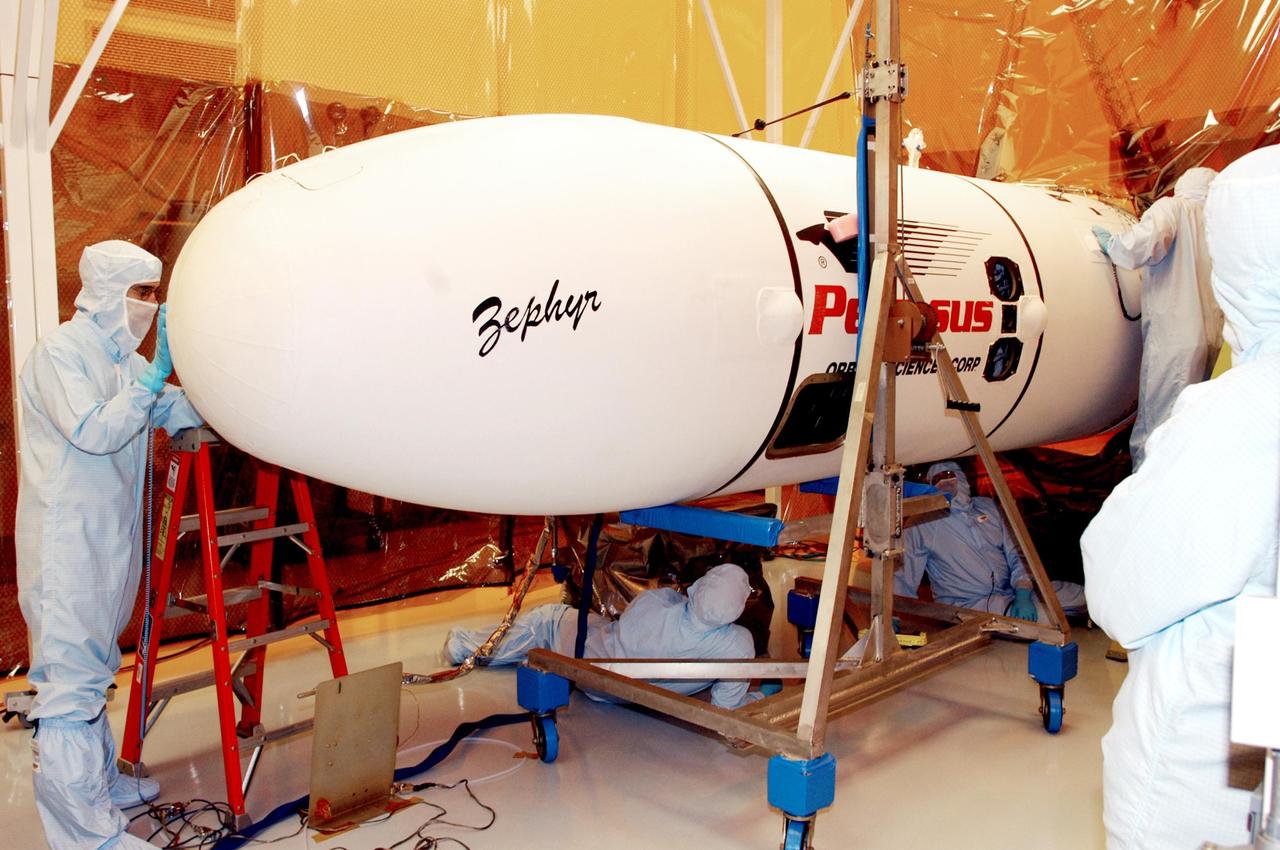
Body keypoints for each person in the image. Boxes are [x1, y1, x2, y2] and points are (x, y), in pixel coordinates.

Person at [1081, 146, 1280, 849]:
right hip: (1250, 765)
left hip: (1201, 784)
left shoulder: (1238, 418)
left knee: (1154, 425)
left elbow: (1122, 584)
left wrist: (1107, 241)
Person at [16, 240, 204, 850]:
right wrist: (151, 382)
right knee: (69, 677)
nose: (149, 306)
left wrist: (214, 404)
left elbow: (160, 406)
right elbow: (96, 428)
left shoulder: (123, 360)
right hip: (67, 542)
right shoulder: (59, 355)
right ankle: (86, 832)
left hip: (107, 539)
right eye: (140, 293)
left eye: (154, 294)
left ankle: (97, 781)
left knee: (95, 666)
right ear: (104, 293)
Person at [443, 562, 761, 709]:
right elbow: (727, 703)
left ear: (698, 587)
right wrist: (758, 696)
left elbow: (629, 619)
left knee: (547, 619)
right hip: (622, 695)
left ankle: (463, 646)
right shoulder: (738, 644)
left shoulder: (655, 605)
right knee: (589, 625)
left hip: (591, 669)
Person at [1092, 167, 1224, 470]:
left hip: (1176, 337)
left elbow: (1146, 243)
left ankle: (1146, 487)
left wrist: (1114, 245)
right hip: (1213, 338)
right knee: (1193, 420)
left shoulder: (1174, 208)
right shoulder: (1216, 222)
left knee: (1160, 419)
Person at [894, 462, 1088, 622]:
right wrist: (891, 618)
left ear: (964, 479)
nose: (947, 484)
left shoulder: (988, 507)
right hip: (969, 604)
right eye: (938, 480)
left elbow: (1017, 552)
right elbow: (904, 574)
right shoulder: (921, 524)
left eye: (951, 477)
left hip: (1012, 591)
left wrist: (1022, 590)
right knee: (1044, 619)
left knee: (1082, 596)